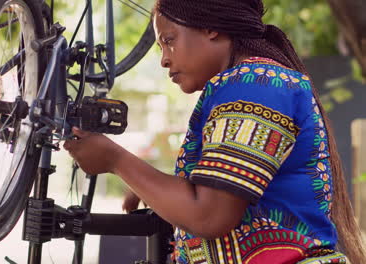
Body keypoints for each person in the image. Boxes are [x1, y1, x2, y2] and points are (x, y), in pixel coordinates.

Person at [64, 0, 366, 263]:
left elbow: (209, 215)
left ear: (210, 27)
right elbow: (216, 195)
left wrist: (116, 161)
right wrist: (149, 185)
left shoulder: (256, 85)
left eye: (169, 40)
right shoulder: (246, 86)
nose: (164, 59)